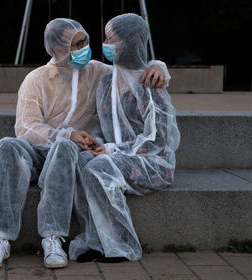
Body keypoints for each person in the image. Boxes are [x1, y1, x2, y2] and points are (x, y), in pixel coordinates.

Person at [0, 18, 169, 269]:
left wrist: (159, 66)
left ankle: (52, 237)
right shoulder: (36, 80)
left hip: (72, 153)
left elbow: (132, 69)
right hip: (37, 153)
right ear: (58, 49)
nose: (85, 47)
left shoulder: (97, 71)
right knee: (6, 145)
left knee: (65, 148)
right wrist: (66, 134)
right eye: (77, 44)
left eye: (85, 41)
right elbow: (26, 127)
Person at [69, 13, 180, 262]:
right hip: (118, 155)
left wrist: (114, 150)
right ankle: (95, 240)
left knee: (98, 167)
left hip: (152, 162)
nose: (106, 45)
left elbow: (158, 140)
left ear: (129, 43)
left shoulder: (150, 82)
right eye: (106, 38)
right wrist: (96, 142)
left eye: (112, 39)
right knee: (81, 161)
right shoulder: (107, 80)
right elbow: (106, 125)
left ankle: (121, 246)